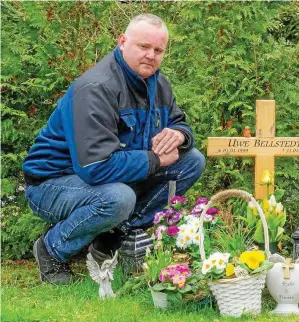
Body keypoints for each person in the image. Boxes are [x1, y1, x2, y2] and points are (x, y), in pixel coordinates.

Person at [22, 14, 205, 285]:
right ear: (122, 42)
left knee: (192, 161)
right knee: (119, 198)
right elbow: (95, 167)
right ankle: (51, 249)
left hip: (106, 178)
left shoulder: (159, 85)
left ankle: (112, 236)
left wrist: (179, 135)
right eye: (144, 47)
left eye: (158, 50)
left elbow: (179, 121)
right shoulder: (96, 88)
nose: (151, 56)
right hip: (52, 183)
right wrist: (155, 160)